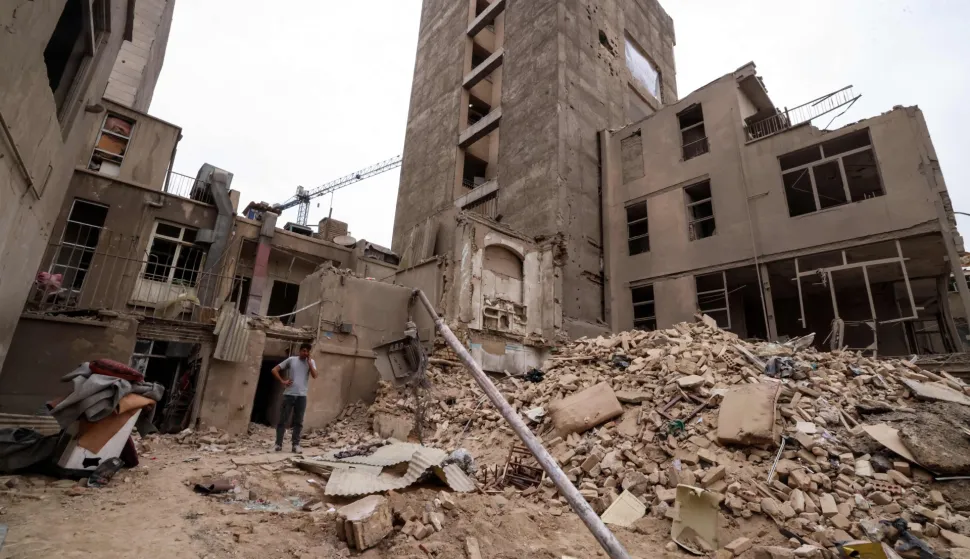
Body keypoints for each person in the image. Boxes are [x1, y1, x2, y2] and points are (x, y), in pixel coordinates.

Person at [272, 343, 317, 453]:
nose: (305, 353)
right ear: (300, 351)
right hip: (289, 395)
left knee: (298, 422)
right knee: (283, 420)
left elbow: (315, 375)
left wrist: (310, 363)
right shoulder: (292, 360)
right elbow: (274, 370)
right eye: (303, 351)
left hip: (302, 396)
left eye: (307, 351)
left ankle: (295, 445)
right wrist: (282, 381)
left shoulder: (311, 362)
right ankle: (278, 444)